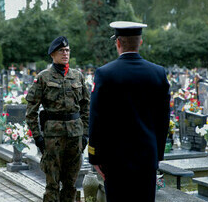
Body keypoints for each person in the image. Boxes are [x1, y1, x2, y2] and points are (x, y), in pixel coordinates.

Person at [88, 21, 170, 202]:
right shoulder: (158, 73)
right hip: (147, 156)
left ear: (118, 43)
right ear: (140, 42)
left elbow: (96, 118)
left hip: (115, 159)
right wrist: (157, 154)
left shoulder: (105, 73)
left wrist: (94, 157)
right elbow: (163, 120)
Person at [25, 36, 90, 202]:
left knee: (71, 184)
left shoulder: (78, 76)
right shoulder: (43, 77)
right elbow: (31, 110)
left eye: (67, 50)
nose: (65, 53)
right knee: (52, 185)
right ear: (53, 54)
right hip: (53, 138)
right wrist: (38, 137)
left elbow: (86, 107)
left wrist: (85, 134)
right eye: (61, 50)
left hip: (75, 136)